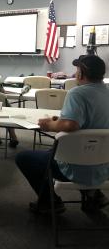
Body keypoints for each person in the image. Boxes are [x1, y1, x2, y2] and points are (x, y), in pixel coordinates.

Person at [16, 55, 109, 214]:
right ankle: (93, 193)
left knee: (23, 158)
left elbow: (70, 125)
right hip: (103, 166)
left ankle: (49, 202)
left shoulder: (77, 93)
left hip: (75, 166)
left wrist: (49, 124)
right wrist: (62, 120)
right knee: (75, 148)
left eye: (77, 69)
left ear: (80, 74)